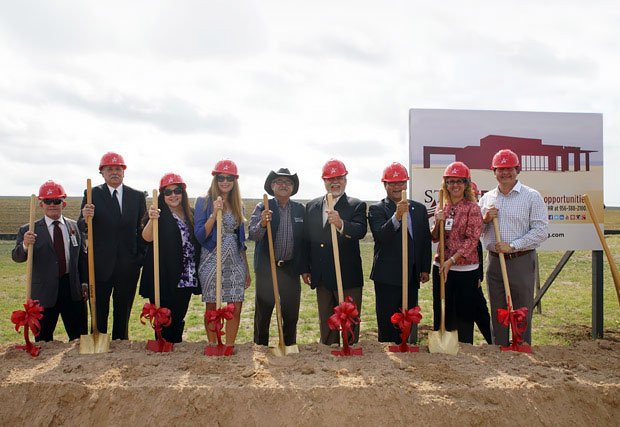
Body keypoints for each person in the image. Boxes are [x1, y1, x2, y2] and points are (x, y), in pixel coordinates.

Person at [479, 149, 548, 346]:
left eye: (509, 168)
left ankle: (521, 346)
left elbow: (541, 230)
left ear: (517, 170)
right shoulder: (487, 199)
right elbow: (478, 231)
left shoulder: (531, 196)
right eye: (500, 169)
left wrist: (513, 245)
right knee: (498, 308)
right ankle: (499, 347)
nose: (505, 173)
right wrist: (485, 219)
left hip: (520, 260)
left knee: (521, 308)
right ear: (494, 172)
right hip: (494, 261)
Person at [79, 152, 147, 340]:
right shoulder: (92, 194)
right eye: (110, 169)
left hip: (128, 264)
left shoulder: (137, 196)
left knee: (123, 309)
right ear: (102, 172)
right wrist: (85, 217)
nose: (114, 172)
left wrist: (139, 257)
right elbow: (82, 226)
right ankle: (99, 339)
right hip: (100, 265)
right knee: (99, 307)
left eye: (118, 169)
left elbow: (141, 230)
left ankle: (120, 342)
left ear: (124, 172)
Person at [302, 159, 367, 345]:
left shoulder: (356, 205)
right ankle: (328, 351)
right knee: (326, 319)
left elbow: (360, 231)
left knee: (350, 318)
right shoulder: (312, 206)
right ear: (324, 181)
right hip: (322, 276)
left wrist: (341, 224)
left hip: (347, 275)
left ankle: (349, 347)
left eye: (339, 177)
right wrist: (306, 268)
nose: (335, 182)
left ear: (346, 179)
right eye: (330, 179)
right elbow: (307, 239)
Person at [12, 180, 88, 341]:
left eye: (57, 201)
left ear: (64, 203)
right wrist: (25, 244)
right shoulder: (29, 230)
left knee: (79, 339)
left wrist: (84, 283)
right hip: (44, 293)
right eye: (48, 201)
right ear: (41, 204)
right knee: (44, 341)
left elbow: (82, 259)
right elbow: (17, 257)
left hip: (72, 290)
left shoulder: (74, 227)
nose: (52, 205)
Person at [368, 162, 431, 344]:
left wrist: (424, 268)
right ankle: (389, 350)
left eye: (401, 183)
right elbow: (381, 236)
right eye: (392, 183)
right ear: (385, 185)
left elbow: (424, 240)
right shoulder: (377, 209)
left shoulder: (418, 209)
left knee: (409, 315)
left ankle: (408, 346)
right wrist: (396, 216)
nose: (397, 187)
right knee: (388, 319)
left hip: (411, 274)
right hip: (387, 276)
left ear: (406, 184)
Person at [194, 159, 251, 349]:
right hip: (211, 258)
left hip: (234, 260)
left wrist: (247, 270)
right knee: (212, 306)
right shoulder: (203, 202)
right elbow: (201, 236)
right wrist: (214, 214)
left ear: (235, 181)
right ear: (215, 179)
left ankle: (229, 346)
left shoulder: (238, 205)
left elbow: (241, 241)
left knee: (234, 306)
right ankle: (212, 344)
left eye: (229, 178)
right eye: (221, 178)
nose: (225, 181)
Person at [139, 173, 201, 343]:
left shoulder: (191, 214)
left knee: (179, 315)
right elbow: (146, 238)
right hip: (163, 274)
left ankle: (175, 347)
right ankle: (163, 346)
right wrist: (152, 220)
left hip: (186, 273)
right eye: (168, 192)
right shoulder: (158, 214)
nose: (173, 195)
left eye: (177, 190)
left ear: (183, 193)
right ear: (162, 195)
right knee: (164, 315)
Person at [249, 168, 305, 347]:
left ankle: (289, 345)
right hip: (267, 268)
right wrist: (263, 223)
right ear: (272, 186)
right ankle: (260, 345)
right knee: (263, 312)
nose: (283, 185)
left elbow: (304, 241)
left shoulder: (299, 209)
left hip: (290, 269)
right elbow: (253, 234)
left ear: (293, 187)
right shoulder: (262, 207)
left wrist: (304, 268)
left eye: (288, 182)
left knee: (291, 312)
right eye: (279, 182)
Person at [430, 161, 483, 344]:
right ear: (445, 184)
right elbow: (435, 237)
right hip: (441, 267)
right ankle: (442, 345)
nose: (455, 186)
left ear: (466, 184)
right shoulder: (441, 207)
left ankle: (464, 347)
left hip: (465, 270)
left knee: (464, 312)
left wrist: (451, 260)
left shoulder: (472, 208)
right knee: (442, 308)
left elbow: (472, 240)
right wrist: (438, 222)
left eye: (459, 181)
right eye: (451, 181)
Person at [470, 181, 493, 344]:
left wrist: (478, 275)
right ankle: (463, 342)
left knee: (480, 310)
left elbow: (476, 243)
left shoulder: (476, 213)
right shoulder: (451, 211)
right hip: (454, 268)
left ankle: (493, 341)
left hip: (473, 271)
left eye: (474, 197)